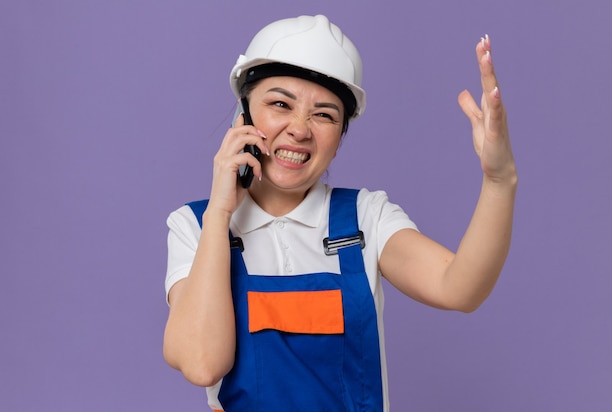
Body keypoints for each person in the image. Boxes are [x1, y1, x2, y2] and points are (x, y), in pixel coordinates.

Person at [163, 14, 517, 412]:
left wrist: (498, 181)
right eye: (280, 103)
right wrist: (220, 212)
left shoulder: (366, 218)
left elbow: (460, 289)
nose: (300, 128)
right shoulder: (195, 226)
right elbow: (201, 364)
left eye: (325, 114)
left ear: (340, 137)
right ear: (242, 115)